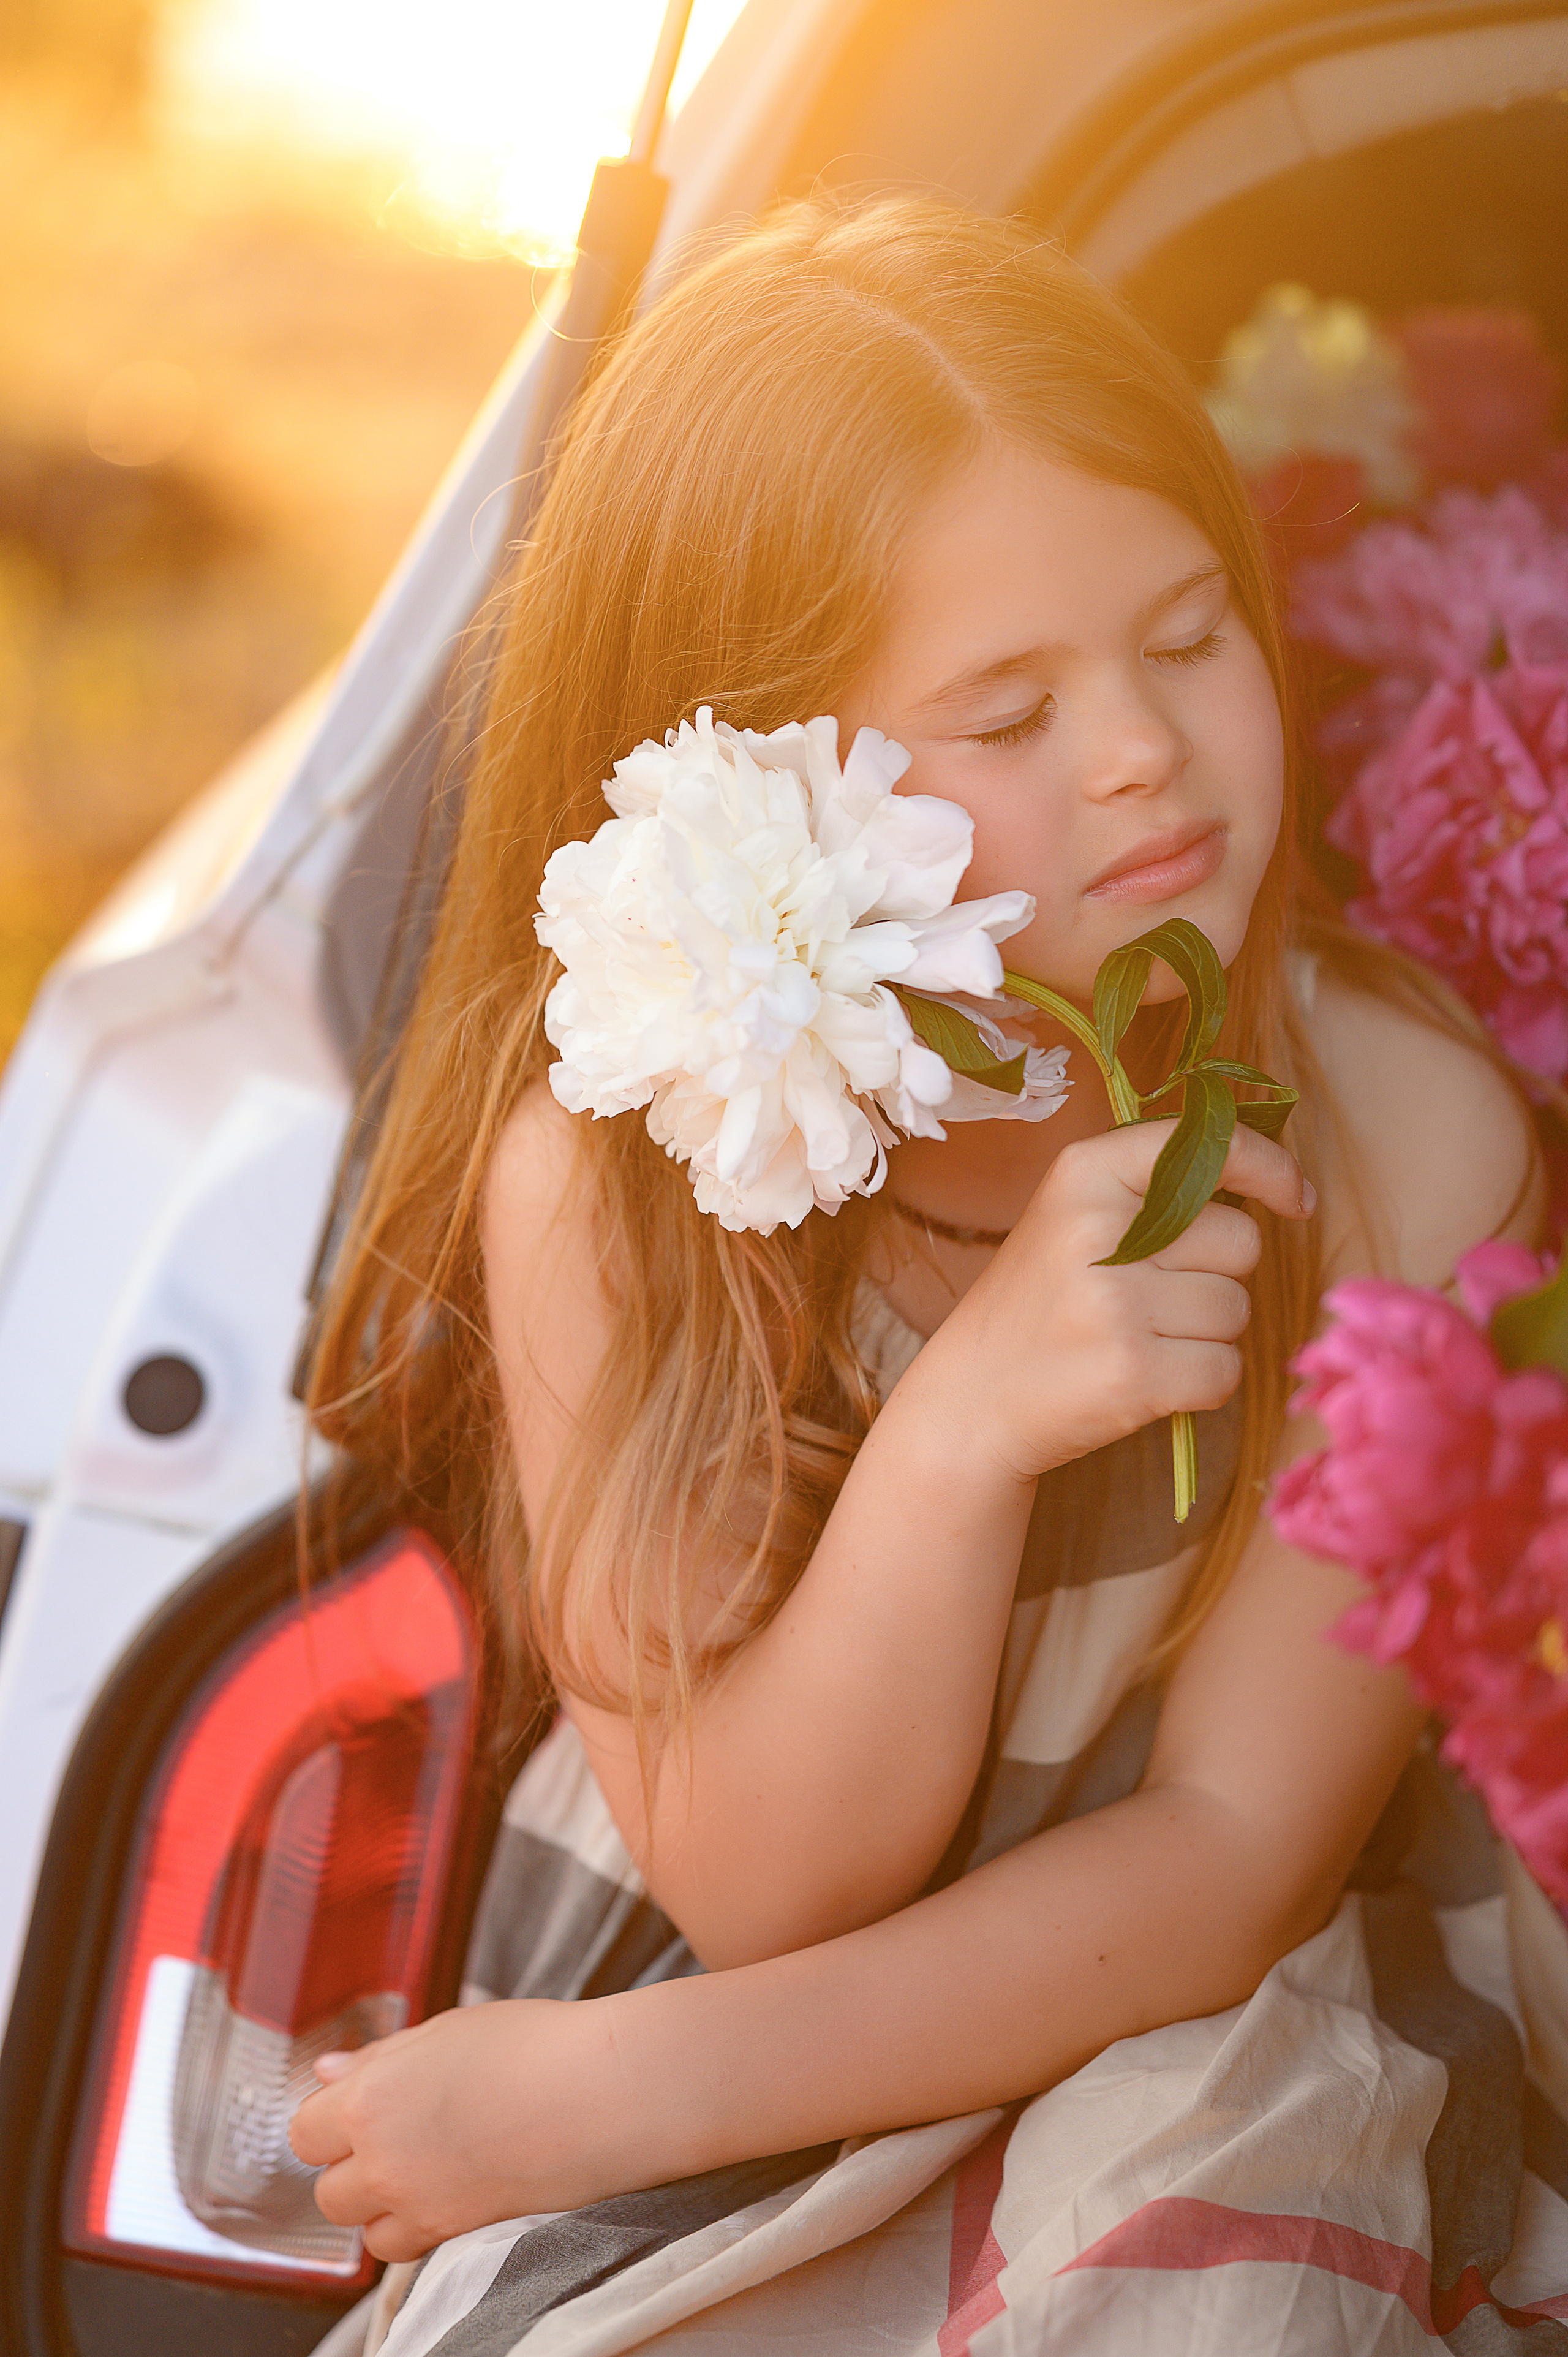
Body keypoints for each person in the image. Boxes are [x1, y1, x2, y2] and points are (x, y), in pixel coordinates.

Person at [292, 199, 1568, 2355]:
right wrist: (964, 1429)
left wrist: (606, 2100)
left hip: (1202, 2019)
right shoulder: (613, 1187)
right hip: (753, 2002)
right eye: (1006, 711)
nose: (1145, 749)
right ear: (766, 786)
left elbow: (1235, 1847)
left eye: (1189, 634)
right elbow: (773, 1887)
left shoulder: (1399, 1141)